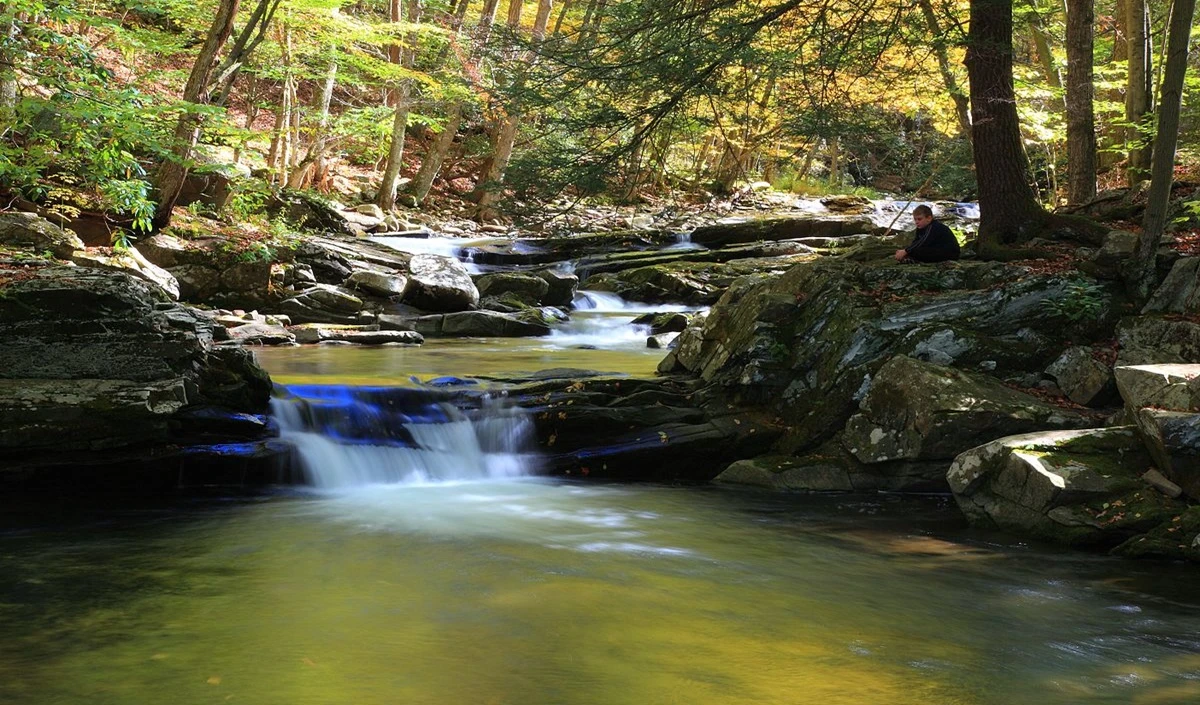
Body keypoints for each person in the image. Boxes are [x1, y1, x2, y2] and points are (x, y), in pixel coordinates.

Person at [893, 205, 961, 263]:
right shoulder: (921, 227)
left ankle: (912, 259)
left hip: (949, 254)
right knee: (914, 250)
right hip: (936, 249)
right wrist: (906, 251)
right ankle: (909, 258)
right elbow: (916, 241)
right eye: (915, 219)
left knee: (918, 251)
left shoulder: (934, 226)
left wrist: (906, 251)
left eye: (919, 219)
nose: (916, 222)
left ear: (929, 218)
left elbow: (923, 241)